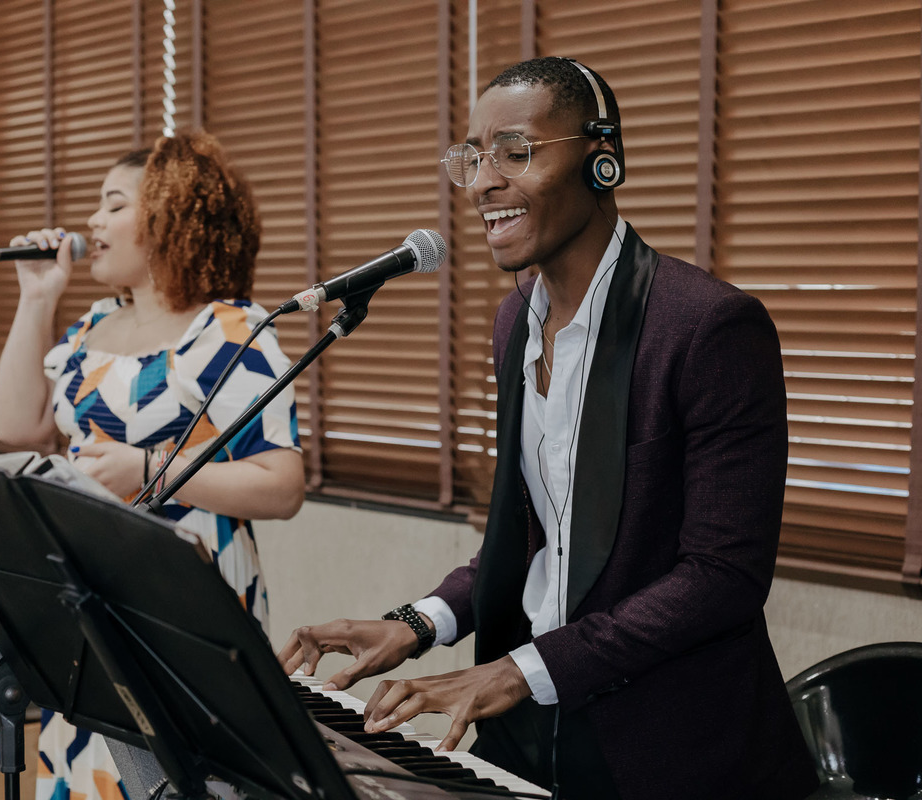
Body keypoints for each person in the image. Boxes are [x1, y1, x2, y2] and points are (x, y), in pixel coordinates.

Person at [277, 57, 819, 800]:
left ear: (603, 161)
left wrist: (518, 669)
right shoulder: (514, 323)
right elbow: (536, 538)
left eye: (515, 152)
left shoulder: (707, 327)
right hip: (534, 735)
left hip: (672, 752)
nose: (482, 182)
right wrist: (418, 622)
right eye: (472, 157)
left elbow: (722, 578)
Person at [0, 130, 305, 800]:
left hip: (186, 600)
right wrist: (37, 297)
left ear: (170, 215)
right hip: (90, 592)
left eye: (112, 205)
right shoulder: (94, 324)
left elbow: (282, 487)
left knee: (179, 779)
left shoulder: (229, 329)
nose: (92, 223)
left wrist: (149, 470)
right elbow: (17, 426)